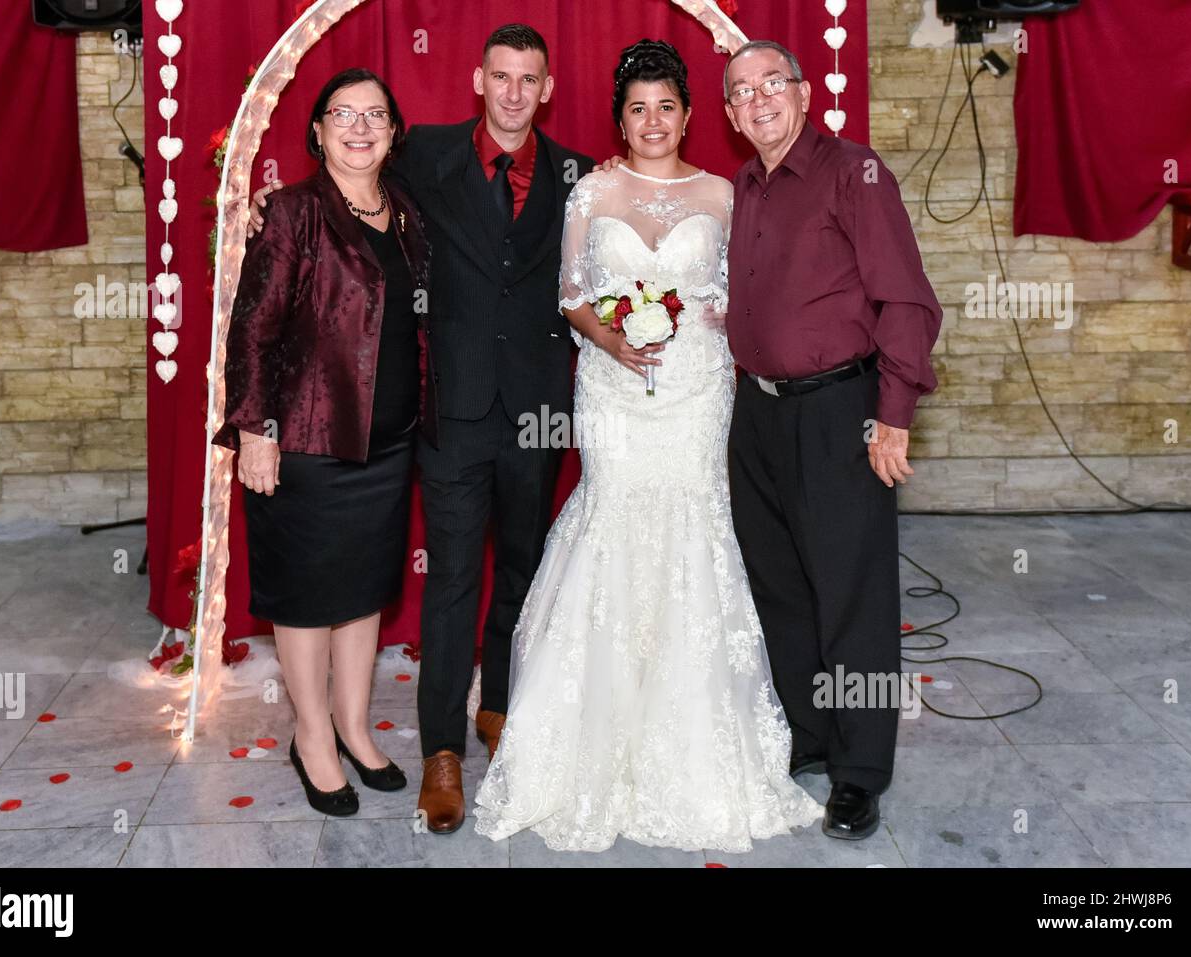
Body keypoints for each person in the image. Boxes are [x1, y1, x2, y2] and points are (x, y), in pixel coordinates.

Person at [473, 39, 824, 853]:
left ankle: (696, 740)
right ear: (619, 119)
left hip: (700, 391)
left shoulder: (726, 192)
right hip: (614, 392)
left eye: (667, 106)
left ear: (693, 115)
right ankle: (587, 738)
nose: (653, 121)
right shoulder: (591, 189)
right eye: (638, 108)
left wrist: (719, 324)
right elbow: (570, 295)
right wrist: (614, 339)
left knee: (696, 529)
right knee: (616, 521)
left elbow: (754, 289)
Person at [248, 25, 593, 833]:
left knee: (522, 568)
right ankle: (442, 746)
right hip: (450, 415)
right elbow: (339, 181)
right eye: (500, 76)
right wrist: (274, 199)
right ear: (477, 80)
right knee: (450, 584)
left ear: (546, 89)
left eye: (528, 79)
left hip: (539, 414)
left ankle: (498, 708)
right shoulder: (420, 157)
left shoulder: (578, 173)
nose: (513, 92)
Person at [722, 41, 943, 839]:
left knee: (853, 596)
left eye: (770, 84)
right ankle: (810, 736)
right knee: (781, 587)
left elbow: (907, 302)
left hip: (839, 411)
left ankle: (859, 772)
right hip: (758, 414)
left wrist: (894, 412)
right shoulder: (746, 186)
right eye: (740, 92)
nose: (758, 101)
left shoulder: (856, 173)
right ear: (730, 113)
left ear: (805, 93)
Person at [213, 68, 437, 817]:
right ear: (316, 131)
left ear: (395, 131)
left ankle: (353, 726)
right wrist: (254, 430)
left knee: (363, 589)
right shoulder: (290, 212)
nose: (359, 126)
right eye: (342, 113)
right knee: (308, 597)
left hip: (388, 442)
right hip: (303, 439)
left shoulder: (404, 208)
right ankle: (311, 737)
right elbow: (252, 329)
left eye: (376, 113)